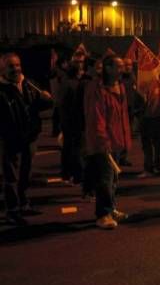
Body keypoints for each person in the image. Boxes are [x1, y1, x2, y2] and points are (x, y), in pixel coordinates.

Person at [0, 53, 53, 225]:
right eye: (11, 66)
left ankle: (23, 204)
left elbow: (40, 106)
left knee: (25, 173)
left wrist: (47, 99)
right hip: (9, 139)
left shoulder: (29, 84)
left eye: (17, 65)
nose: (15, 69)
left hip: (30, 137)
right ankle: (12, 210)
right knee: (11, 177)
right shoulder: (2, 89)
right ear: (2, 69)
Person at [84, 55, 131, 229]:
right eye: (118, 67)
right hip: (103, 142)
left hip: (117, 139)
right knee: (105, 178)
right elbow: (96, 117)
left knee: (113, 179)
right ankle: (102, 214)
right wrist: (103, 140)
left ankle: (111, 208)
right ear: (108, 68)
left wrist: (125, 139)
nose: (123, 69)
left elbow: (123, 114)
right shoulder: (96, 88)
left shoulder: (121, 87)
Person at [59, 53, 87, 184]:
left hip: (75, 120)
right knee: (75, 149)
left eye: (81, 62)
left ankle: (68, 173)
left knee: (71, 148)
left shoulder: (77, 81)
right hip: (73, 121)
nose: (80, 65)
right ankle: (76, 175)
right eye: (77, 62)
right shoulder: (69, 82)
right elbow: (64, 103)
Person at [137, 74, 160, 177]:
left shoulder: (147, 83)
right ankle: (156, 167)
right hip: (158, 115)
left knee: (148, 143)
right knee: (157, 143)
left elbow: (142, 101)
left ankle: (149, 168)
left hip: (149, 116)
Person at [119, 58, 137, 167]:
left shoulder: (132, 77)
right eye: (126, 65)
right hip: (120, 109)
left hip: (130, 108)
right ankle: (117, 157)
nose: (128, 67)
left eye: (130, 65)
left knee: (127, 133)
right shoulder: (118, 78)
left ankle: (123, 157)